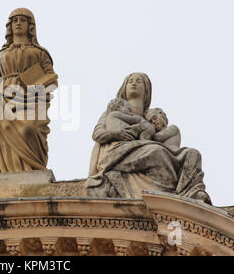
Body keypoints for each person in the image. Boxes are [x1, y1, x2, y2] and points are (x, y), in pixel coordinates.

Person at [86, 72, 211, 204]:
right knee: (157, 152)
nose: (134, 83)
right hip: (118, 151)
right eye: (130, 81)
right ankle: (165, 196)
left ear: (146, 90)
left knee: (192, 154)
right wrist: (116, 134)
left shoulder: (152, 116)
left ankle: (188, 195)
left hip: (145, 149)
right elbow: (97, 134)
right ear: (124, 87)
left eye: (139, 81)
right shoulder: (111, 111)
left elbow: (161, 138)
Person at [0, 8, 58, 173]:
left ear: (30, 26)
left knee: (30, 129)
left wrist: (29, 83)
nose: (18, 23)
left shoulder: (40, 53)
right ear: (9, 26)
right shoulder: (0, 55)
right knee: (5, 138)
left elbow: (51, 77)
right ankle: (8, 172)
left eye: (23, 20)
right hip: (3, 98)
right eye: (15, 20)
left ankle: (33, 168)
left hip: (30, 97)